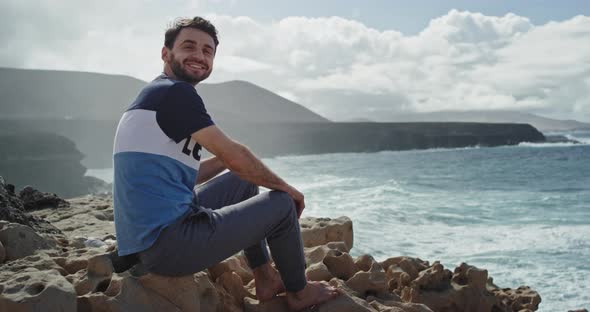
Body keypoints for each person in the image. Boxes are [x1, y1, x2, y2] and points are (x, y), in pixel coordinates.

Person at [111, 16, 339, 310]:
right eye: (189, 46)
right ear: (166, 53)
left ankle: (266, 278)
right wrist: (287, 189)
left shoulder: (157, 94)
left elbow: (184, 177)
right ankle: (299, 292)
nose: (199, 56)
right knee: (282, 204)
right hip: (167, 246)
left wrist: (227, 163)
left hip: (145, 243)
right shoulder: (176, 93)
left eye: (208, 51)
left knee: (243, 180)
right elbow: (235, 153)